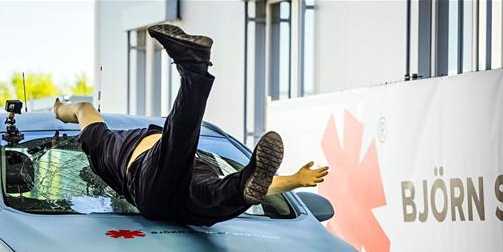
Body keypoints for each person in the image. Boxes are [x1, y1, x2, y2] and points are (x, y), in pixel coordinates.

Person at [54, 24, 328, 226]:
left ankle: (242, 181)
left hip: (178, 190)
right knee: (188, 156)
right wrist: (58, 109)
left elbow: (82, 110)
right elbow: (84, 108)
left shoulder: (100, 144)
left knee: (220, 191)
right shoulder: (101, 147)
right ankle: (193, 71)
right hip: (157, 184)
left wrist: (296, 180)